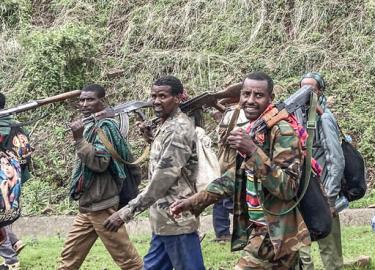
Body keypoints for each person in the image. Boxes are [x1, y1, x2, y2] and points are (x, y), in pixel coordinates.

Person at [170, 71, 310, 269]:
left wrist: (252, 150)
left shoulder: (283, 132)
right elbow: (233, 178)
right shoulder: (256, 129)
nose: (250, 101)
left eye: (258, 95)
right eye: (246, 94)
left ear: (271, 99)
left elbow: (287, 188)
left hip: (275, 235)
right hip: (265, 230)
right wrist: (193, 201)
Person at [103, 76, 205, 270]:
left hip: (177, 218)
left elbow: (161, 181)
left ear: (178, 98)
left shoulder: (178, 129)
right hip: (163, 219)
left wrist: (126, 212)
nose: (156, 101)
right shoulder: (165, 125)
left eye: (163, 96)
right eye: (153, 96)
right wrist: (151, 139)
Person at [58, 84, 143, 270]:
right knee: (69, 257)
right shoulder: (91, 124)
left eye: (90, 99)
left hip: (103, 204)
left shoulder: (105, 126)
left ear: (101, 101)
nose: (85, 104)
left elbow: (100, 163)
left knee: (127, 259)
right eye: (82, 100)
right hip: (88, 204)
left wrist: (79, 139)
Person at [296, 72, 345, 270]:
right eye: (303, 88)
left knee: (329, 248)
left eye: (312, 89)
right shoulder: (297, 114)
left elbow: (336, 158)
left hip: (323, 192)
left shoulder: (324, 118)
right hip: (303, 191)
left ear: (320, 91)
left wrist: (331, 196)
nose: (307, 93)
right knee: (301, 247)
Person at [0, 93, 29, 270]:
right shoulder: (16, 125)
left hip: (3, 177)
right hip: (15, 176)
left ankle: (11, 261)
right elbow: (26, 154)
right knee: (4, 217)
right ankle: (15, 242)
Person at [212, 107, 248, 243]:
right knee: (230, 197)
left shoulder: (229, 112)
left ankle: (223, 233)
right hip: (233, 157)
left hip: (226, 158)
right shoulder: (235, 112)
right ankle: (228, 232)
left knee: (222, 196)